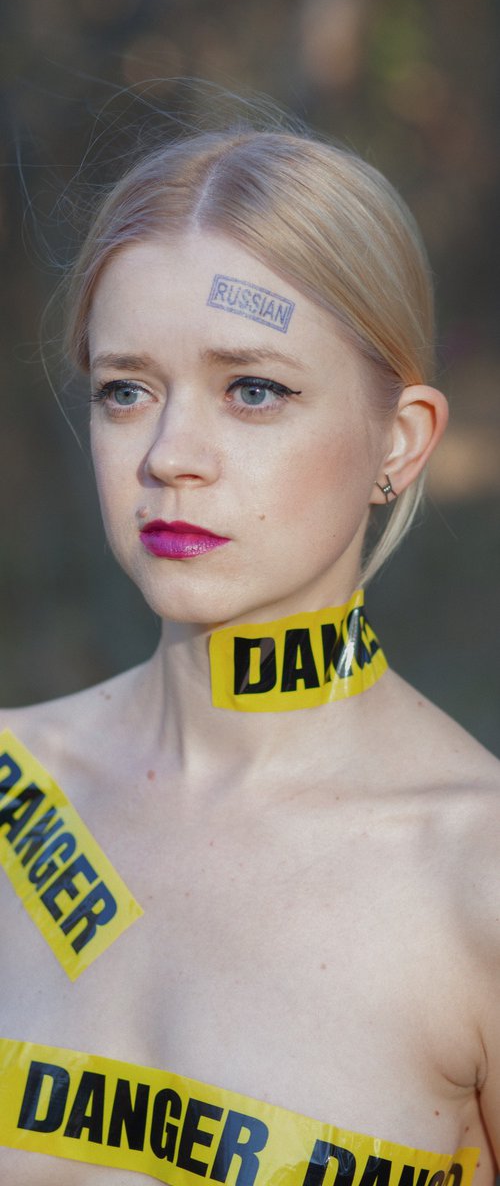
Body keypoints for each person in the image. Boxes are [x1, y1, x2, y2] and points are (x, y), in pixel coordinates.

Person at [0, 124, 499, 1186]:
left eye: (253, 390)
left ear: (401, 439)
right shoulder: (12, 794)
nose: (170, 457)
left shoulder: (475, 877)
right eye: (124, 390)